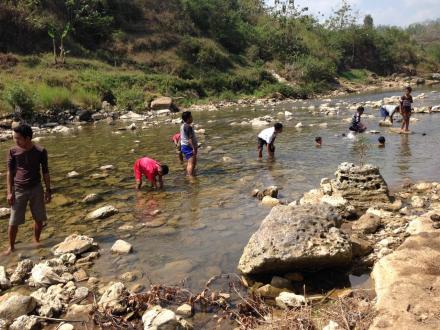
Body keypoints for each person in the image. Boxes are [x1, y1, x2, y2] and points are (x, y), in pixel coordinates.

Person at [5, 124, 51, 255]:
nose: (15, 141)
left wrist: (48, 190)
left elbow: (45, 172)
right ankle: (11, 247)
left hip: (36, 188)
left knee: (39, 218)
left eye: (18, 138)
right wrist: (9, 192)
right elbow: (9, 172)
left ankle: (36, 241)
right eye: (14, 138)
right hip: (19, 189)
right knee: (13, 222)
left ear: (27, 138)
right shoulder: (13, 151)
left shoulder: (40, 151)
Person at [180, 111, 198, 177]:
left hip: (185, 146)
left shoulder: (183, 125)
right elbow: (190, 139)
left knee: (192, 162)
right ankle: (190, 177)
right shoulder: (188, 127)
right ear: (188, 118)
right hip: (188, 147)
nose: (192, 118)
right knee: (191, 163)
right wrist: (193, 148)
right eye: (191, 117)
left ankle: (191, 173)